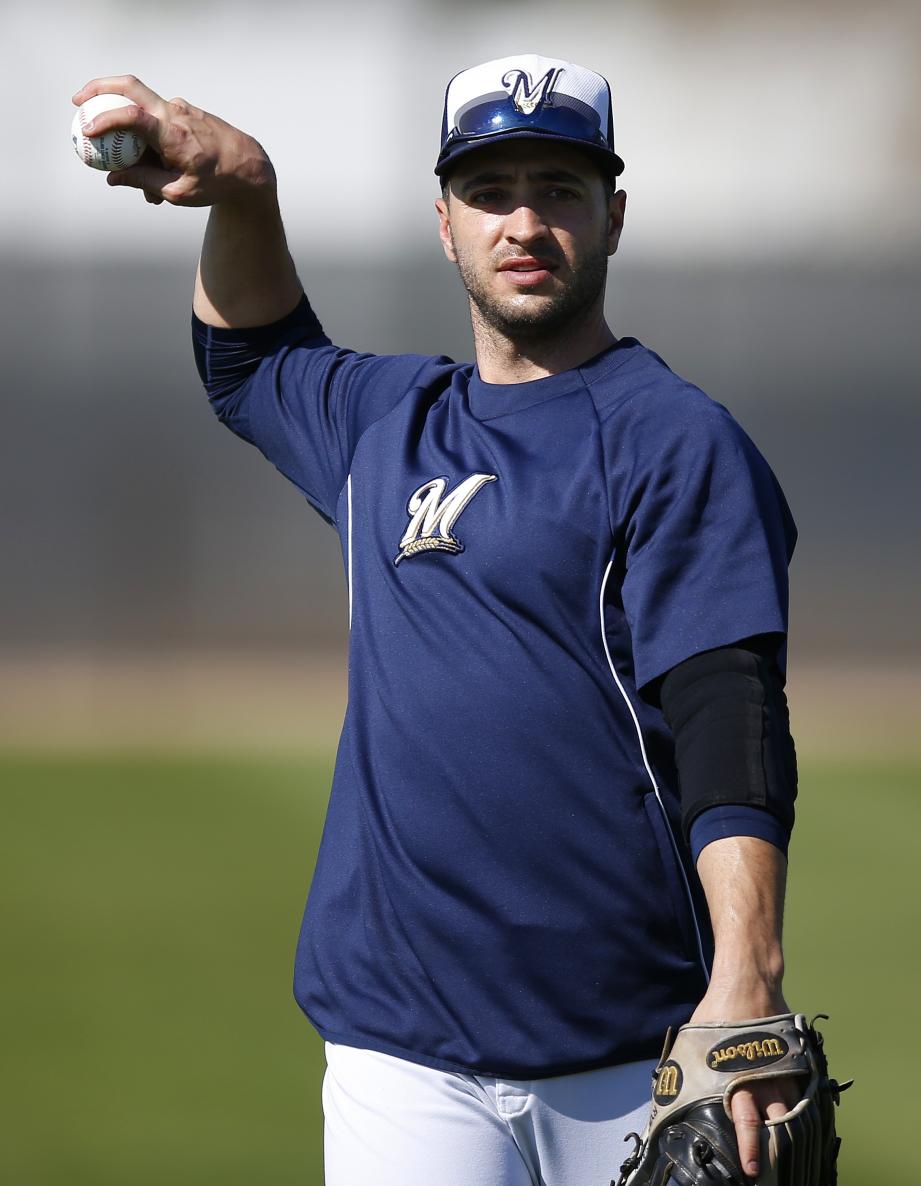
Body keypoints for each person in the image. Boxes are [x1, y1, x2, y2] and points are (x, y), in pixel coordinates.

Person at [74, 54, 801, 1186]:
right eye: (491, 189)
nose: (525, 220)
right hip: (396, 1052)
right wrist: (246, 188)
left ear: (612, 216)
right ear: (445, 219)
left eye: (559, 189)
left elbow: (729, 715)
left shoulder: (674, 438)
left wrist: (746, 975)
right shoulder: (387, 422)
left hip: (626, 1046)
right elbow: (252, 357)